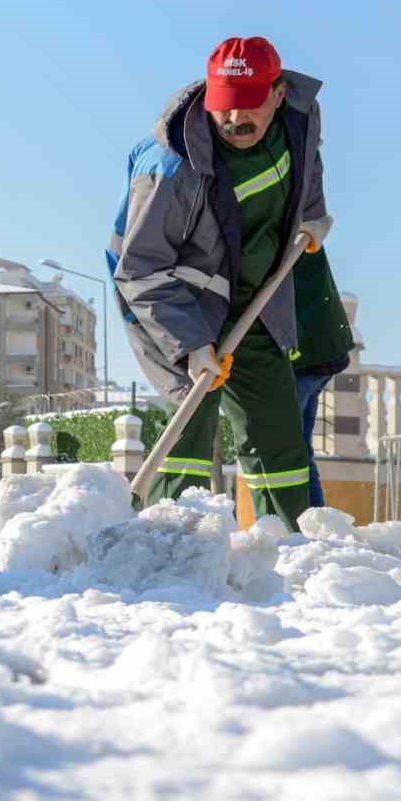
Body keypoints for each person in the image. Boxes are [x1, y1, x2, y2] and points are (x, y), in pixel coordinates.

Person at [110, 36, 332, 531]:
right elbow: (138, 268)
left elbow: (304, 170)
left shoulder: (299, 118)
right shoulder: (170, 166)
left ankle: (291, 555)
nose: (234, 121)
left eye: (248, 107)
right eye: (224, 108)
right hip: (175, 300)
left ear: (277, 93)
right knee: (191, 423)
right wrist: (189, 344)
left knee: (276, 430)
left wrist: (313, 215)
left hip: (257, 296)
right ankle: (171, 545)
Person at [292, 248, 355, 506]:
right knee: (300, 450)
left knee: (287, 449)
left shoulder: (277, 234)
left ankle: (301, 525)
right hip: (322, 352)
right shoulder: (301, 228)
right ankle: (313, 522)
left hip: (305, 356)